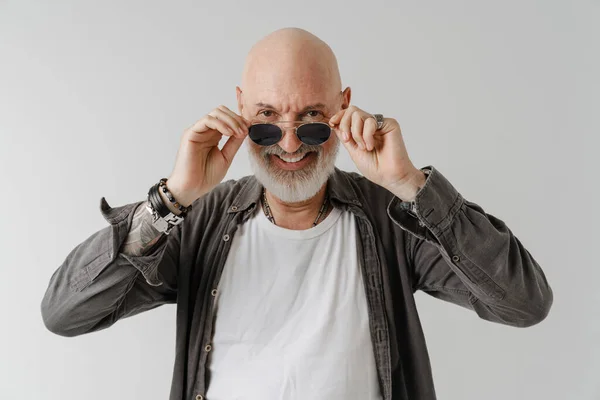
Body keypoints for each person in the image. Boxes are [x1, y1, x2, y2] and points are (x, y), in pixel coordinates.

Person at [41, 27, 553, 400]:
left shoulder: (393, 219)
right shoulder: (197, 221)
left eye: (311, 119)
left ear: (343, 106)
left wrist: (411, 185)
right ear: (241, 110)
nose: (289, 144)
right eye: (266, 120)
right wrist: (171, 198)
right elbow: (64, 313)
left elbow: (524, 303)